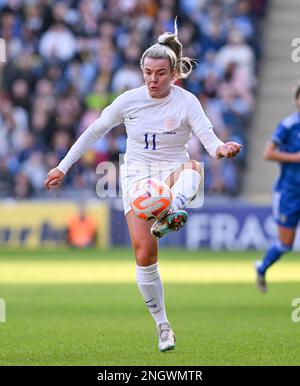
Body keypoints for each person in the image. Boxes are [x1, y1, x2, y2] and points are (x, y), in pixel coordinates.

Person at [44, 22, 241, 352]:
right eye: (147, 72)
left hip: (172, 173)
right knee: (144, 254)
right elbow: (93, 132)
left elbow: (209, 140)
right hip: (136, 178)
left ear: (173, 73)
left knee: (193, 168)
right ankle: (163, 325)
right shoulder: (128, 101)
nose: (153, 79)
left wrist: (221, 148)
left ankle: (173, 208)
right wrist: (62, 167)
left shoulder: (187, 102)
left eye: (160, 73)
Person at [255, 85, 300, 293]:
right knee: (285, 244)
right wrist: (295, 158)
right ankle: (262, 267)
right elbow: (268, 153)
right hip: (289, 192)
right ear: (296, 100)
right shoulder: (289, 125)